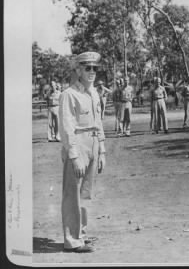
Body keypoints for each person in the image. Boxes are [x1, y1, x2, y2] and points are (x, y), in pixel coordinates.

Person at [59, 51, 106, 253]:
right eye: (87, 68)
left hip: (93, 142)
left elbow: (98, 122)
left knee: (85, 193)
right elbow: (67, 128)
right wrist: (74, 155)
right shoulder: (69, 95)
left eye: (95, 68)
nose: (92, 72)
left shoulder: (93, 93)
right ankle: (72, 240)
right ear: (78, 69)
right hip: (78, 143)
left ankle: (81, 233)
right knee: (72, 194)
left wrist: (102, 149)